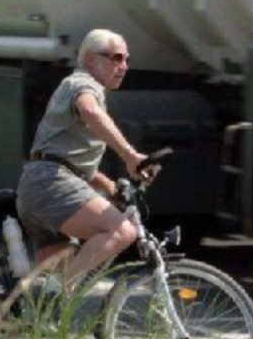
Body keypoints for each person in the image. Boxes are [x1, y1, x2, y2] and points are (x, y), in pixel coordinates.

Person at [16, 28, 154, 287]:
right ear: (91, 60)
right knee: (122, 231)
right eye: (116, 58)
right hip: (51, 184)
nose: (123, 66)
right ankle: (57, 295)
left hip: (41, 184)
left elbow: (71, 163)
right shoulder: (83, 83)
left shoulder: (79, 86)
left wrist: (110, 187)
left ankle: (37, 315)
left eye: (126, 59)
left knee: (53, 275)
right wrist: (130, 155)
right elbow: (89, 110)